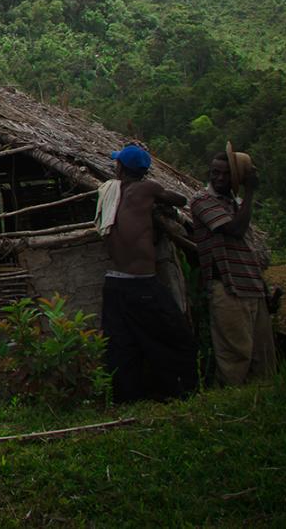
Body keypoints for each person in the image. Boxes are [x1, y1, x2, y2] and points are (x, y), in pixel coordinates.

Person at [97, 143, 198, 402]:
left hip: (114, 283)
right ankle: (178, 389)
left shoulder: (111, 193)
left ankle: (127, 397)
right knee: (174, 337)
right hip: (142, 283)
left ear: (120, 168)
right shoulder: (147, 189)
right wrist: (159, 204)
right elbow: (181, 200)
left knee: (122, 345)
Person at [189, 148, 276, 385]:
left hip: (252, 288)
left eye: (225, 174)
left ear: (235, 178)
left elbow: (248, 251)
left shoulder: (236, 205)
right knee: (235, 359)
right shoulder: (202, 201)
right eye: (214, 172)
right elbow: (234, 231)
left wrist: (263, 289)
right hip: (228, 289)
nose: (218, 178)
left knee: (263, 358)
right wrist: (250, 192)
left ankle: (265, 407)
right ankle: (231, 407)